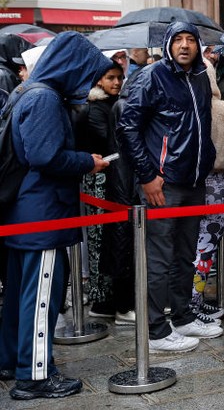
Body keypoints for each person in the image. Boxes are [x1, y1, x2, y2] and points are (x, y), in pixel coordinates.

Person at [0, 32, 112, 401]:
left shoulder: (27, 92)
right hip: (42, 214)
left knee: (21, 293)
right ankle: (34, 376)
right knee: (41, 297)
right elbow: (45, 157)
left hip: (24, 211)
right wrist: (88, 162)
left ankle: (13, 360)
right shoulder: (46, 98)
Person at [117, 22, 218, 353]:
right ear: (168, 44)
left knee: (185, 254)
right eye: (179, 40)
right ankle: (155, 328)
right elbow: (128, 127)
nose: (186, 45)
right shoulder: (151, 76)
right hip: (163, 183)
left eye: (191, 39)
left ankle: (183, 315)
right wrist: (148, 176)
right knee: (159, 257)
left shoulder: (201, 76)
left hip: (193, 180)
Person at [76, 62, 135, 325]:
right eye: (110, 78)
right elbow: (107, 139)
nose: (116, 82)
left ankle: (111, 299)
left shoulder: (112, 104)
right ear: (98, 80)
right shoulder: (95, 108)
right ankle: (103, 301)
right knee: (101, 240)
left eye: (120, 78)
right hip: (99, 179)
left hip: (112, 176)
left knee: (113, 239)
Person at [188, 59, 224, 321]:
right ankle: (193, 305)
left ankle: (191, 301)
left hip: (189, 183)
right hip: (218, 184)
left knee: (189, 245)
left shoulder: (187, 107)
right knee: (206, 247)